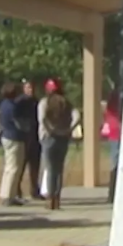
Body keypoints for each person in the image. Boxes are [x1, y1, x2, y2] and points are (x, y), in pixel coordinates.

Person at [38, 78, 73, 210]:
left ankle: (50, 199)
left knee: (50, 169)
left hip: (49, 137)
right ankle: (57, 199)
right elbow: (77, 117)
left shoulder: (44, 102)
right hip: (63, 137)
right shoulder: (66, 103)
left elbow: (42, 119)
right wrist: (68, 129)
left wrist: (51, 130)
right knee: (59, 169)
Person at [0, 81, 26, 207]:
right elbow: (18, 122)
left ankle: (7, 194)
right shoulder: (13, 106)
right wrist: (25, 128)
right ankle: (9, 196)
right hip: (15, 137)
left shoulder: (3, 104)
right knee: (14, 167)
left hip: (6, 135)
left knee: (9, 167)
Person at [16, 79, 43, 200]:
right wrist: (24, 128)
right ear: (24, 89)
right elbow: (17, 117)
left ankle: (34, 189)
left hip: (36, 137)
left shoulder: (36, 101)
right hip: (24, 137)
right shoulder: (20, 102)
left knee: (35, 165)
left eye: (32, 88)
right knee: (21, 165)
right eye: (28, 88)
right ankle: (17, 190)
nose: (31, 90)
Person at [104, 88, 122, 204]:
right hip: (117, 133)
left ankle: (112, 193)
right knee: (115, 163)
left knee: (114, 162)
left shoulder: (114, 97)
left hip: (114, 132)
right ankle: (112, 193)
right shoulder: (118, 97)